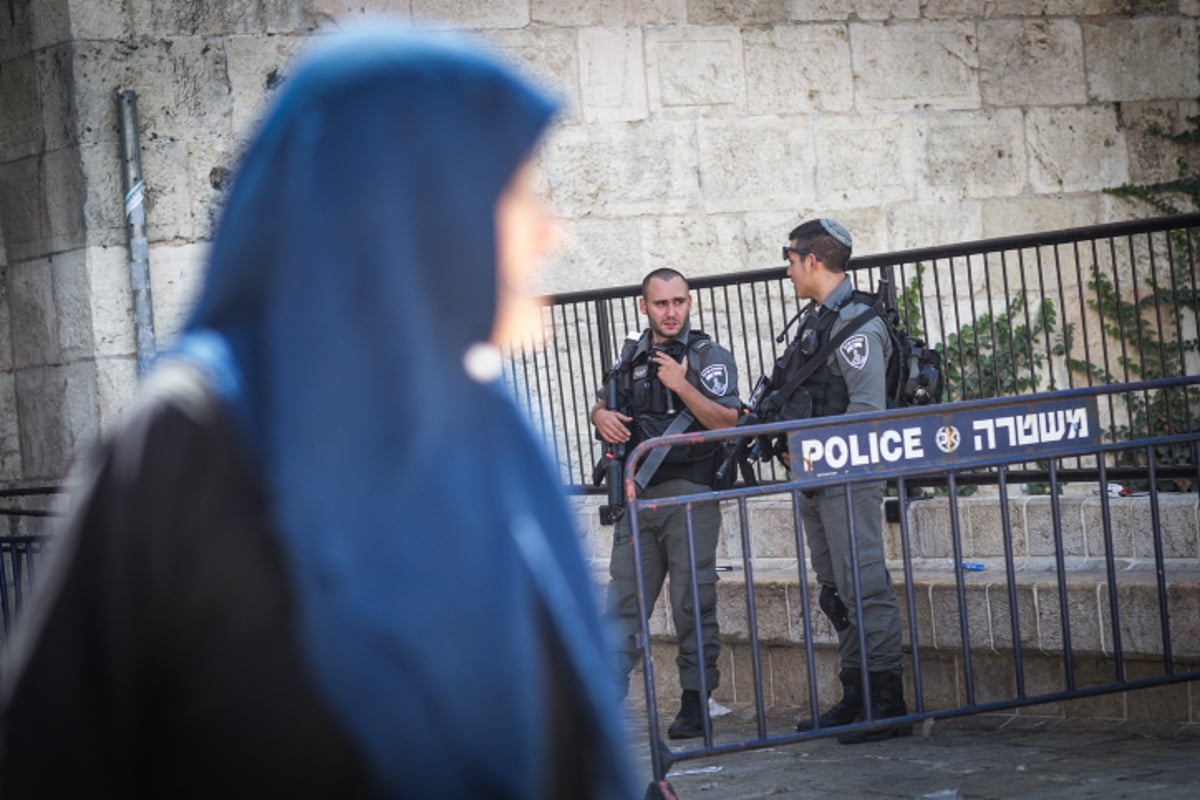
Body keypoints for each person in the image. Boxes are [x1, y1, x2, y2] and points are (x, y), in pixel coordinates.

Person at [0, 25, 636, 798]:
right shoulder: (191, 445)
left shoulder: (494, 432)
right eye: (517, 192)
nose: (550, 230)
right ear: (408, 207)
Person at [771, 218, 910, 743]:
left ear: (812, 260)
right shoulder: (817, 323)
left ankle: (887, 701)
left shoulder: (858, 327)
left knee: (863, 585)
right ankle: (857, 694)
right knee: (836, 590)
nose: (787, 269)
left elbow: (868, 415)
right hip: (815, 476)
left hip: (848, 477)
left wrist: (812, 449)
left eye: (790, 258)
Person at [590, 268, 741, 740]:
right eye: (661, 303)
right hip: (639, 495)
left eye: (679, 301)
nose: (671, 312)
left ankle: (696, 700)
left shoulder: (708, 356)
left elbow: (729, 423)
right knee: (624, 603)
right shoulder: (632, 355)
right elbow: (601, 400)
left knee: (692, 601)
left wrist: (681, 384)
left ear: (689, 303)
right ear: (644, 307)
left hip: (690, 493)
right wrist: (600, 416)